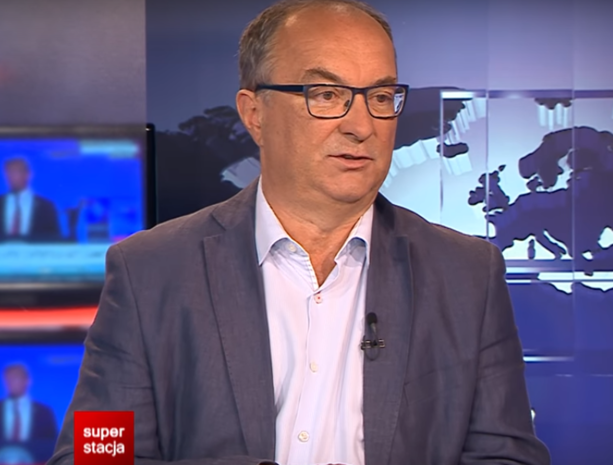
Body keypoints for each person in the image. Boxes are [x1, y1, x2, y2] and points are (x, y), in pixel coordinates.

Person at [49, 0, 550, 464]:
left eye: (380, 96)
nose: (362, 125)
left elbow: (505, 456)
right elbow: (98, 456)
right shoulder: (151, 271)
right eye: (327, 95)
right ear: (255, 114)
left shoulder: (466, 275)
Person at [0, 364, 58, 462]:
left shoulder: (44, 412)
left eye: (16, 378)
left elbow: (53, 445)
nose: (11, 383)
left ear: (27, 381)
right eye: (8, 379)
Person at [0, 157, 61, 242]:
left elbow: (54, 239)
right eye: (9, 172)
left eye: (16, 172)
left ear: (28, 174)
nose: (11, 177)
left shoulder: (46, 207)